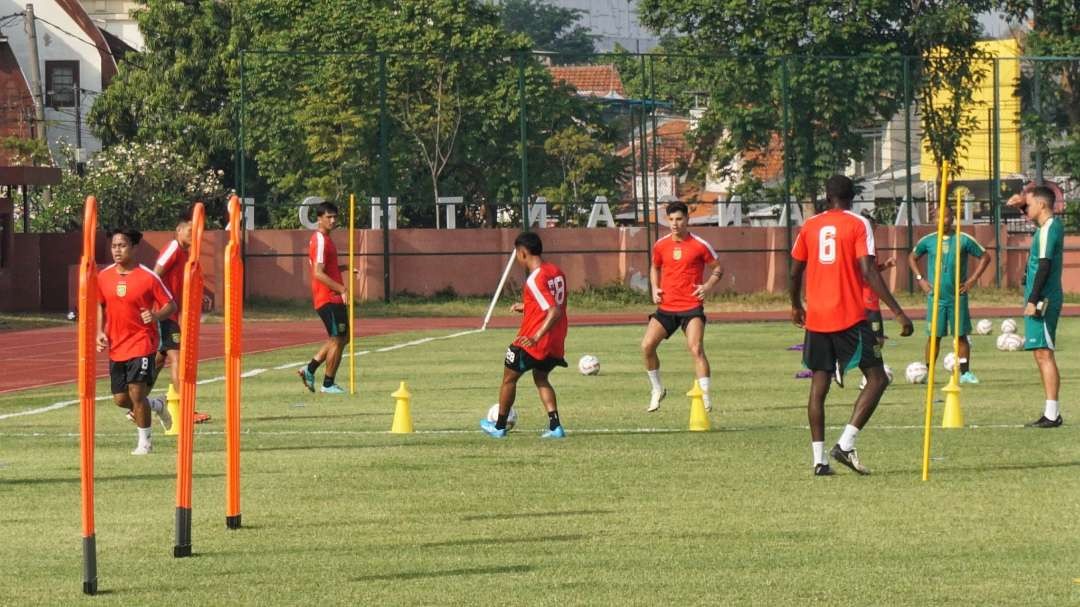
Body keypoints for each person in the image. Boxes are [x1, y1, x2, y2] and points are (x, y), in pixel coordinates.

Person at [789, 175, 914, 476]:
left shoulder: (810, 226)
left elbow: (794, 270)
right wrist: (897, 312)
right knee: (877, 379)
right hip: (849, 317)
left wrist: (795, 304)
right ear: (852, 196)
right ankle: (845, 444)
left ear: (827, 196)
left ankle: (819, 461)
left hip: (817, 317)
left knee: (819, 386)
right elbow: (867, 270)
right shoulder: (859, 224)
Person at [480, 232, 568, 439]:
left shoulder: (534, 279)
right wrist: (527, 306)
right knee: (541, 377)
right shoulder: (556, 271)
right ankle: (555, 426)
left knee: (509, 379)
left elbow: (553, 311)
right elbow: (552, 301)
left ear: (522, 253)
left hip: (534, 341)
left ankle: (499, 426)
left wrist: (536, 336)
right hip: (556, 340)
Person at [96, 228, 176, 455]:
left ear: (134, 248)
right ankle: (158, 405)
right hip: (117, 344)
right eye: (114, 246)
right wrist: (99, 332)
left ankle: (145, 443)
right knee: (121, 399)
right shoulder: (104, 276)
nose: (117, 250)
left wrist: (156, 315)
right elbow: (99, 304)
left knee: (137, 394)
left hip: (142, 341)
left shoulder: (148, 277)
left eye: (122, 245)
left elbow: (170, 304)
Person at [641, 201, 723, 413]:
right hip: (666, 307)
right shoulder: (661, 245)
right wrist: (654, 287)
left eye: (679, 219)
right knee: (647, 346)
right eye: (671, 219)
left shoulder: (699, 245)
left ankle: (705, 396)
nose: (675, 224)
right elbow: (654, 266)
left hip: (691, 307)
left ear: (687, 219)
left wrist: (707, 286)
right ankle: (657, 389)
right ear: (667, 220)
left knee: (695, 349)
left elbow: (718, 269)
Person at [906, 202, 991, 384]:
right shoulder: (928, 240)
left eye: (945, 216)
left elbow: (985, 256)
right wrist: (920, 278)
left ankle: (965, 372)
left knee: (960, 336)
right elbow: (912, 257)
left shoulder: (963, 239)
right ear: (933, 219)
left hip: (957, 297)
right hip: (936, 298)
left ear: (952, 219)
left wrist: (972, 280)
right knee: (933, 336)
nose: (941, 220)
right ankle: (928, 373)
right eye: (937, 217)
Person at [1007, 186, 1065, 427]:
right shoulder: (1046, 227)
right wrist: (1021, 204)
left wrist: (1032, 300)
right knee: (1040, 353)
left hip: (1044, 299)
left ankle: (1053, 414)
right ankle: (1050, 412)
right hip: (1041, 297)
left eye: (1029, 204)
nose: (1025, 209)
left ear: (1042, 205)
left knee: (1044, 353)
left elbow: (1044, 265)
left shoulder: (1049, 228)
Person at [153, 209, 211, 422]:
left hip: (171, 313)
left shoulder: (187, 255)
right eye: (189, 229)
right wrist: (159, 305)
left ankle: (136, 403)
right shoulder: (173, 248)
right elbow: (155, 274)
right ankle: (188, 410)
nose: (193, 233)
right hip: (164, 312)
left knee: (158, 361)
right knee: (177, 356)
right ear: (178, 230)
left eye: (196, 230)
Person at [298, 202, 350, 394]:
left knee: (342, 338)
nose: (333, 220)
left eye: (335, 217)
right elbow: (318, 272)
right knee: (338, 338)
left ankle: (309, 369)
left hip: (331, 296)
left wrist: (343, 269)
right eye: (329, 217)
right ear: (319, 219)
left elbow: (326, 268)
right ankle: (328, 384)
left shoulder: (326, 240)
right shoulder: (320, 239)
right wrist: (341, 289)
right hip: (328, 297)